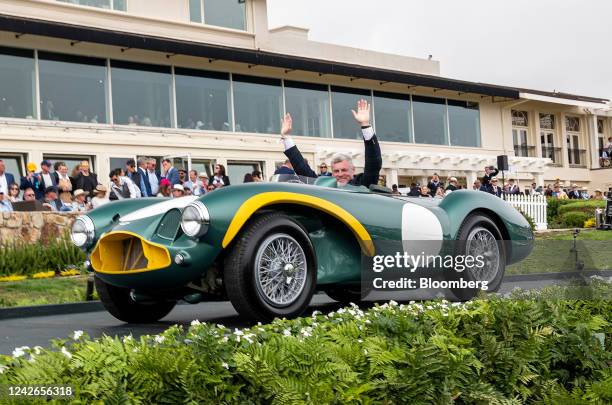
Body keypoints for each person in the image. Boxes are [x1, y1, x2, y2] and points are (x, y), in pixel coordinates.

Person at [280, 99, 381, 187]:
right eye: (336, 171)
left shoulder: (362, 184)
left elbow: (374, 163)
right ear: (332, 173)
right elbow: (302, 168)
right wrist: (286, 137)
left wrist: (365, 125)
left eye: (344, 170)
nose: (340, 174)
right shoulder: (325, 186)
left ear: (353, 170)